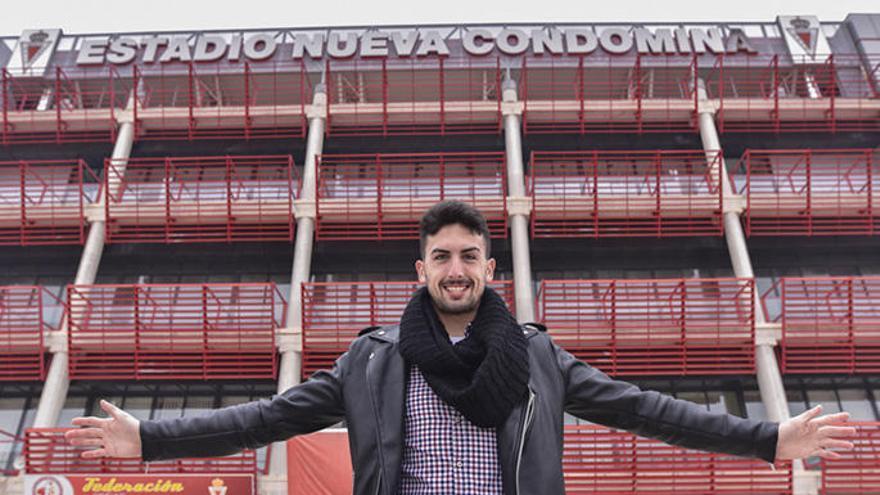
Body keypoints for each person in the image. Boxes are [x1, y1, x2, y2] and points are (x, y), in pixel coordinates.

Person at [67, 200, 856, 495]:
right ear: (422, 268)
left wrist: (768, 437)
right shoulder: (373, 358)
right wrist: (149, 439)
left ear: (488, 266)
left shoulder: (537, 354)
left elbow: (646, 411)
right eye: (441, 256)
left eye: (469, 256)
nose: (455, 268)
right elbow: (264, 419)